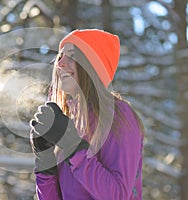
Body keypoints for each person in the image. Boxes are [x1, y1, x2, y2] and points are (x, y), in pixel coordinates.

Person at [29, 29, 144, 200]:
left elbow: (118, 195)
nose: (60, 63)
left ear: (92, 66)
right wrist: (45, 163)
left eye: (72, 56)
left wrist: (72, 146)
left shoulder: (118, 116)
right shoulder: (68, 121)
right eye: (60, 56)